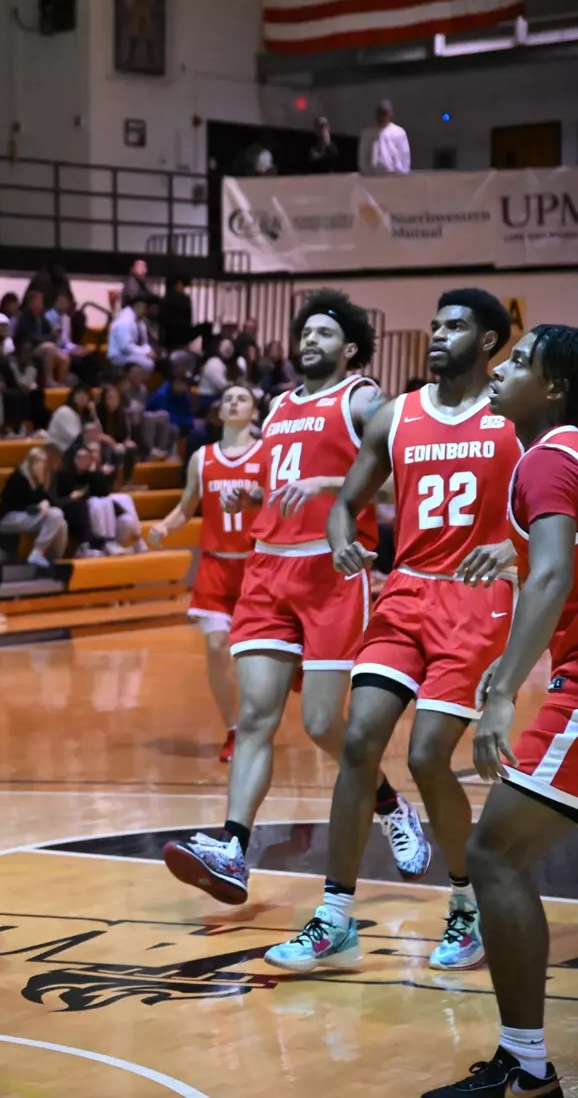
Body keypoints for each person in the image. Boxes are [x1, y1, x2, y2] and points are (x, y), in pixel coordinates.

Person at [263, 290, 519, 974]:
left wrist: (516, 553)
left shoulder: (514, 416)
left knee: (431, 755)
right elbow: (346, 503)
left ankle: (467, 906)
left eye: (456, 326)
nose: (438, 335)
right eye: (435, 324)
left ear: (490, 342)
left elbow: (559, 506)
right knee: (357, 737)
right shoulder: (398, 414)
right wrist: (346, 542)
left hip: (476, 600)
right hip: (405, 592)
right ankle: (335, 916)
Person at [163, 289, 421, 906]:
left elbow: (400, 470)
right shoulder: (278, 405)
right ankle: (232, 846)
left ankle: (390, 804)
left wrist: (330, 483)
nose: (310, 340)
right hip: (267, 570)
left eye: (325, 334)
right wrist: (250, 497)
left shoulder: (362, 399)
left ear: (350, 348)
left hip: (331, 572)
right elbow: (283, 485)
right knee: (255, 718)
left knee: (319, 723)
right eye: (305, 332)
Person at [420, 323, 578, 1098]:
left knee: (492, 853)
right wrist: (518, 559)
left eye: (518, 361)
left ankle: (525, 1066)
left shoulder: (547, 455)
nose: (501, 368)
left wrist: (498, 694)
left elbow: (551, 580)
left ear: (553, 389)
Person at [149, 385, 264, 763]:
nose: (233, 401)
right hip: (215, 565)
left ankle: (254, 725)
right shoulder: (202, 457)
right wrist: (165, 527)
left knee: (252, 656)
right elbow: (186, 507)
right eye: (228, 397)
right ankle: (234, 729)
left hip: (256, 565)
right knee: (217, 647)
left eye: (241, 397)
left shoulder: (266, 453)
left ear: (254, 412)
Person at [0, 445, 68, 568]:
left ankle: (54, 559)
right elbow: (20, 506)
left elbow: (51, 502)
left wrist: (45, 502)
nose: (41, 465)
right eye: (38, 461)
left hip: (25, 518)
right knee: (55, 514)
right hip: (7, 520)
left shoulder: (38, 481)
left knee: (61, 522)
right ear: (30, 462)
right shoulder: (19, 477)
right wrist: (39, 507)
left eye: (43, 462)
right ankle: (37, 552)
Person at [359, 99, 411, 176]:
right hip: (372, 174)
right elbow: (363, 154)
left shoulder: (399, 132)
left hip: (393, 174)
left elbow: (404, 154)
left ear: (389, 115)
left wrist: (403, 171)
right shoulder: (368, 133)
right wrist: (364, 171)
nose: (382, 118)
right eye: (380, 115)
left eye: (384, 115)